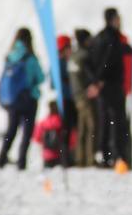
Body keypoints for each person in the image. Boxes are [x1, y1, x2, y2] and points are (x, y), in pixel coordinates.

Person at [87, 8, 132, 168]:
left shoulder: (97, 37)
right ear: (113, 19)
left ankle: (105, 155)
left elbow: (89, 60)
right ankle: (118, 156)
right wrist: (101, 79)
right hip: (112, 84)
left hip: (102, 86)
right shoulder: (112, 38)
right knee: (117, 122)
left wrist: (94, 81)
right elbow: (109, 59)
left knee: (105, 121)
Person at [0, 27, 44, 171]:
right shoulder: (30, 57)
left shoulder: (10, 56)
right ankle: (21, 161)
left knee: (11, 129)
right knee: (27, 131)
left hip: (12, 100)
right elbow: (40, 77)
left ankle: (2, 157)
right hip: (28, 99)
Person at [69, 28, 97, 168]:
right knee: (91, 127)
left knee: (81, 128)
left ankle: (79, 158)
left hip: (76, 95)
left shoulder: (73, 56)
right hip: (86, 95)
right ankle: (90, 158)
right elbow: (90, 75)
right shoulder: (85, 56)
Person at [55, 34, 76, 165]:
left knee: (69, 130)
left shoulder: (68, 62)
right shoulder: (59, 63)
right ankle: (64, 158)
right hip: (65, 100)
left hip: (70, 99)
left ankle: (68, 156)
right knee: (65, 130)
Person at [32, 100, 69, 169]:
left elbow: (36, 137)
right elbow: (72, 139)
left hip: (47, 156)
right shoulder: (62, 122)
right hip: (60, 156)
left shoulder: (43, 122)